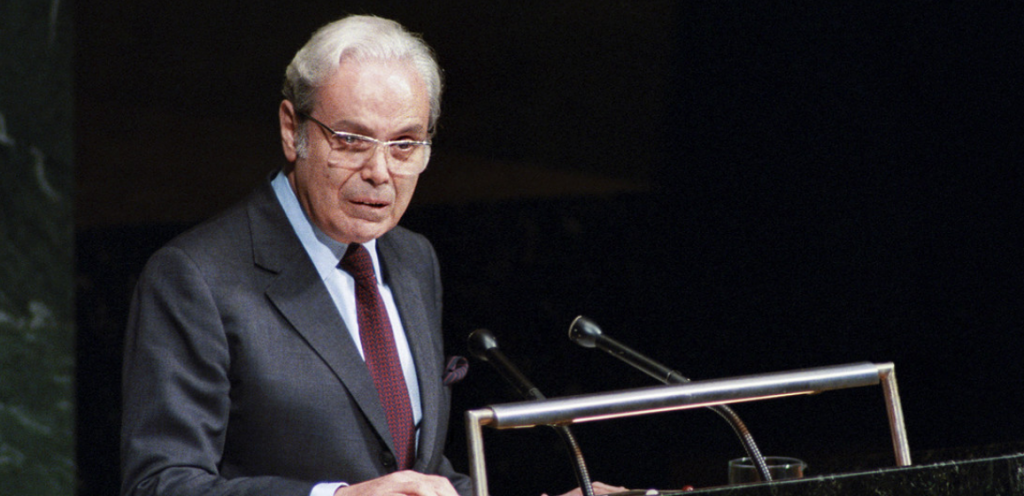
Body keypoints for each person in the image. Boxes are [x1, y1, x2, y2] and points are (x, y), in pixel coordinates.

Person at [120, 14, 626, 496]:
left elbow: (418, 474)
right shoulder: (195, 277)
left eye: (405, 144)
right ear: (290, 129)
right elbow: (161, 483)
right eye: (351, 140)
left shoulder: (412, 258)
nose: (380, 171)